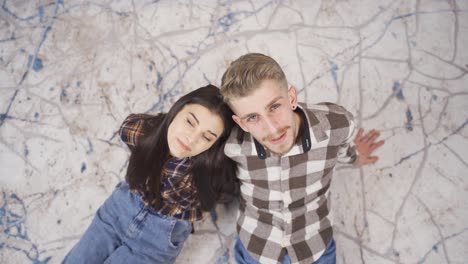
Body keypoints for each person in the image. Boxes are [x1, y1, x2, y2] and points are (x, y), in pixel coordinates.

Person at [220, 53, 385, 264]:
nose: (272, 128)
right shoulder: (232, 145)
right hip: (258, 247)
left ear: (291, 98)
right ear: (241, 123)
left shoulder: (336, 124)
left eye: (275, 107)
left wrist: (355, 156)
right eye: (253, 117)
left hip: (314, 243)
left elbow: (344, 146)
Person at [63, 84, 238, 264]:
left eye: (207, 137)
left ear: (214, 145)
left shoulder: (207, 174)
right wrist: (157, 134)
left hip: (157, 239)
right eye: (190, 122)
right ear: (177, 110)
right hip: (119, 210)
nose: (191, 138)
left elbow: (222, 192)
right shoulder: (147, 131)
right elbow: (128, 128)